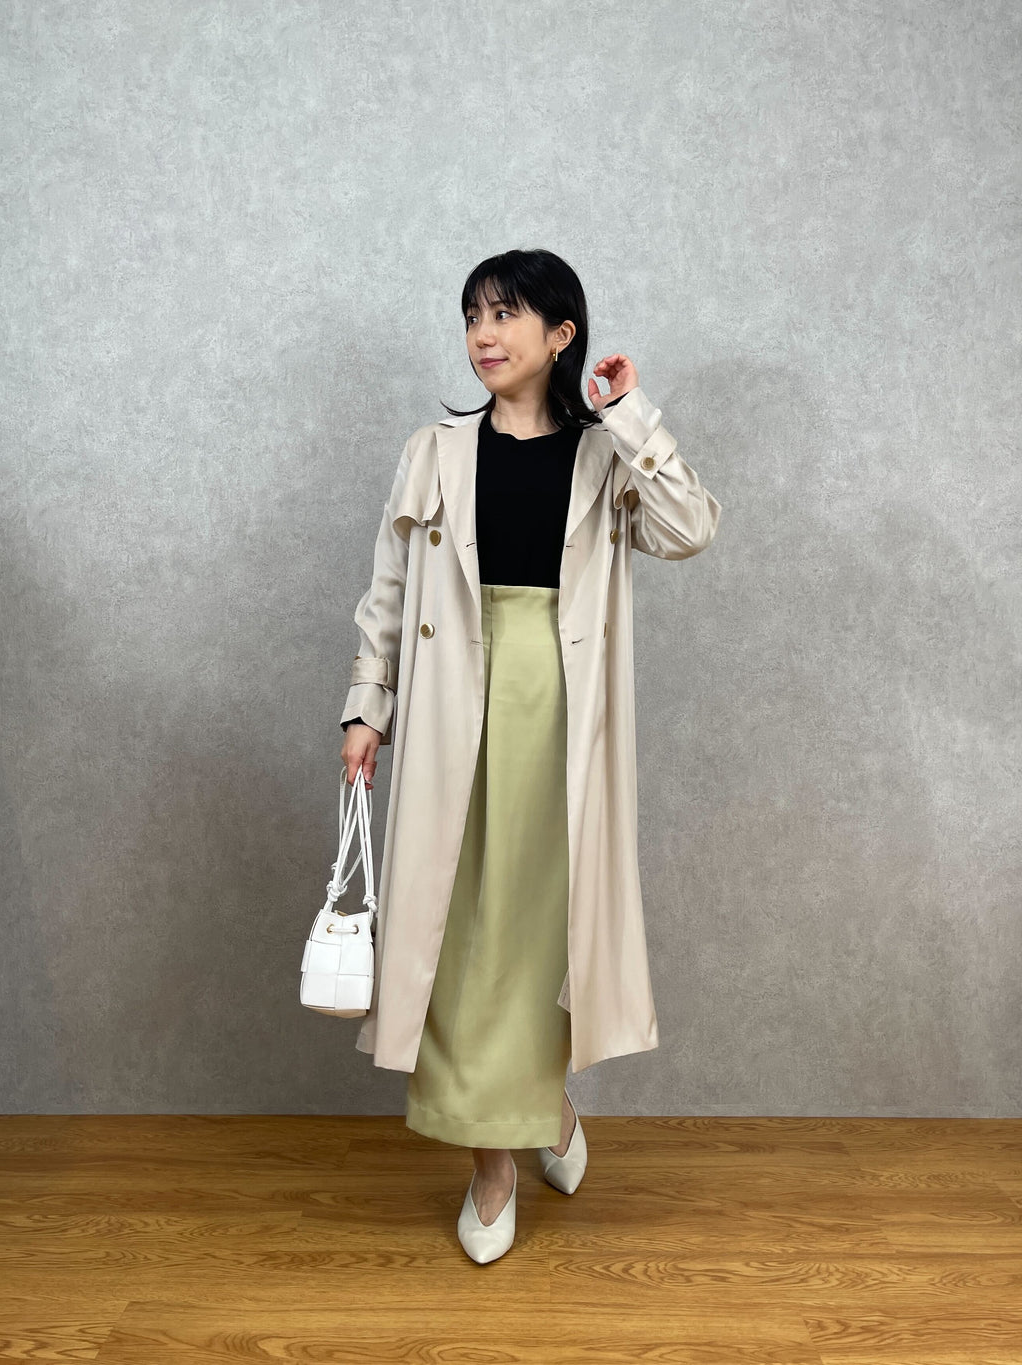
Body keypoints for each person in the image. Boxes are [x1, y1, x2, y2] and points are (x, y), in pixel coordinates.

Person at [339, 248, 721, 1263]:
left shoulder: (603, 457)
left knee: (538, 933)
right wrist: (366, 707)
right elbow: (387, 589)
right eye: (473, 315)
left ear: (561, 334)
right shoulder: (434, 451)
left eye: (506, 314)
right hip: (450, 708)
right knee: (459, 932)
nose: (484, 334)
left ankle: (533, 1114)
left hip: (560, 709)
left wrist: (631, 415)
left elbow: (690, 528)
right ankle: (497, 1156)